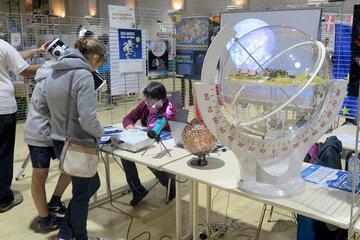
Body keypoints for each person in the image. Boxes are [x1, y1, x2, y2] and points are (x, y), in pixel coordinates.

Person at [34, 37, 106, 240]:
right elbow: (88, 119)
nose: (98, 68)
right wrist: (101, 133)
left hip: (59, 141)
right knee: (83, 192)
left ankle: (66, 232)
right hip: (78, 143)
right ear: (95, 58)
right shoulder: (83, 76)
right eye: (100, 63)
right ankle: (79, 236)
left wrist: (60, 120)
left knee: (89, 186)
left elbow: (40, 105)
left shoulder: (54, 71)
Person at [24, 60, 72, 231]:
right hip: (39, 133)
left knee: (70, 168)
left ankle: (54, 202)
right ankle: (45, 219)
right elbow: (43, 107)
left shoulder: (60, 78)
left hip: (57, 133)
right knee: (40, 174)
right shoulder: (46, 80)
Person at [0, 39, 46, 213]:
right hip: (2, 108)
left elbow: (12, 57)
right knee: (3, 153)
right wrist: (53, 66)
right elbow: (24, 70)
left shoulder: (4, 49)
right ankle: (3, 198)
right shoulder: (2, 45)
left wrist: (36, 51)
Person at [121, 82, 176, 206]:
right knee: (125, 155)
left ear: (159, 100)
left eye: (149, 100)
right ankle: (137, 190)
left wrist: (153, 110)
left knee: (147, 158)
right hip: (148, 140)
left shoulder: (169, 108)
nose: (145, 102)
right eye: (145, 99)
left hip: (164, 143)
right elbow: (128, 118)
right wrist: (129, 125)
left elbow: (153, 127)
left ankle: (169, 182)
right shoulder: (145, 104)